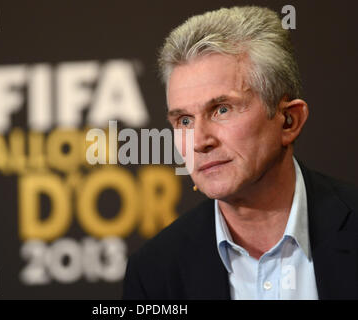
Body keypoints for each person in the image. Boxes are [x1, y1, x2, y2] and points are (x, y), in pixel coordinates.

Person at [122, 6, 358, 300]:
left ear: (289, 121)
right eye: (184, 120)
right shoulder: (154, 273)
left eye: (222, 109)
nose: (200, 141)